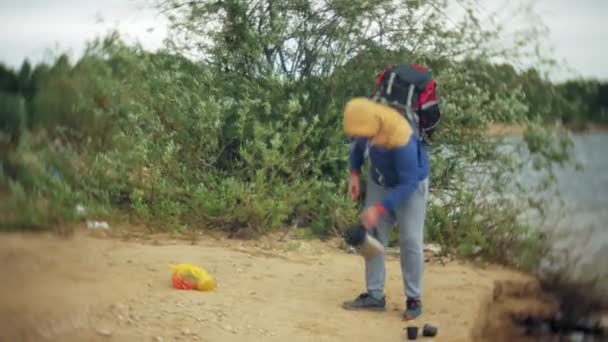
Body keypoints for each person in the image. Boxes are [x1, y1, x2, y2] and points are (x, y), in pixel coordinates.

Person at [341, 96, 430, 321]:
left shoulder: (402, 137)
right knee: (372, 236)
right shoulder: (367, 124)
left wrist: (380, 207)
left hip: (411, 185)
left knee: (410, 240)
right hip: (379, 181)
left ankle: (413, 299)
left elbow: (408, 183)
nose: (361, 137)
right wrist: (354, 174)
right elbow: (357, 149)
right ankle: (374, 295)